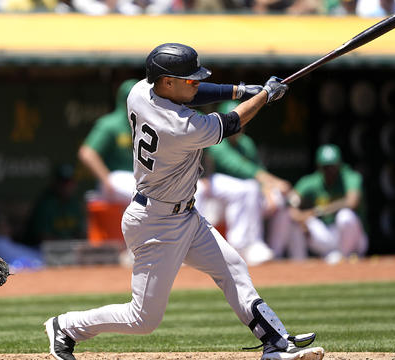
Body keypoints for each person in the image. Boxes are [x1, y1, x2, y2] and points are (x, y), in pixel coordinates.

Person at [44, 43, 324, 360]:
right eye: (187, 79)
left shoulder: (140, 91)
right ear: (166, 82)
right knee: (143, 319)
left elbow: (192, 92)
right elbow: (231, 123)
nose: (194, 83)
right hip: (155, 224)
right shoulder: (180, 127)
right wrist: (263, 97)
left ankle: (275, 342)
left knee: (233, 268)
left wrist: (241, 89)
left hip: (185, 216)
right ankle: (66, 326)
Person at [196, 100, 305, 263]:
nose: (236, 127)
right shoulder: (215, 139)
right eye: (232, 122)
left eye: (239, 121)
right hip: (214, 195)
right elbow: (237, 166)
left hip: (241, 198)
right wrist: (271, 181)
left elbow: (258, 169)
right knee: (247, 188)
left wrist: (267, 188)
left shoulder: (246, 143)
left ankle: (273, 251)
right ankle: (240, 246)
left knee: (278, 199)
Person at [288, 144, 368, 264]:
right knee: (298, 221)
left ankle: (345, 255)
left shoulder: (350, 177)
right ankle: (299, 263)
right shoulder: (312, 181)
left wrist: (319, 211)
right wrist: (301, 216)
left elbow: (352, 202)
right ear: (319, 167)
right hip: (327, 235)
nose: (330, 171)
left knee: (345, 216)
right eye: (326, 167)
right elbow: (291, 202)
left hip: (354, 239)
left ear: (339, 165)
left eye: (333, 166)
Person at [78, 79, 139, 205]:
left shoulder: (148, 125)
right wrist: (107, 181)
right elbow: (87, 153)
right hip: (117, 179)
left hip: (139, 180)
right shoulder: (111, 124)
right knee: (145, 197)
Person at [24, 164, 86, 245]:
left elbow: (80, 233)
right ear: (56, 182)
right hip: (40, 252)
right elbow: (43, 238)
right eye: (64, 182)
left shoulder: (74, 204)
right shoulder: (45, 204)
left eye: (71, 182)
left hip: (69, 251)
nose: (68, 186)